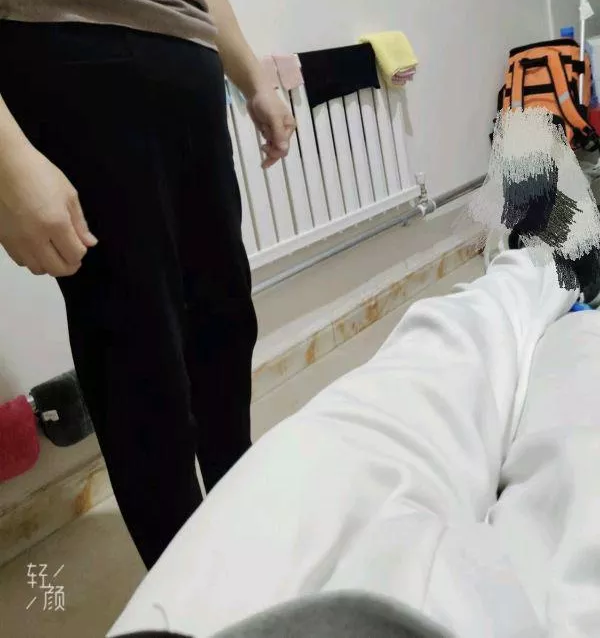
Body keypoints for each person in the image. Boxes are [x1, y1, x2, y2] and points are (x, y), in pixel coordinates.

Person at [0, 0, 295, 570]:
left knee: (222, 323)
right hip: (73, 62)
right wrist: (6, 160)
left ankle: (239, 533)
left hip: (185, 72)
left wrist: (254, 79)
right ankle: (189, 584)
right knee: (140, 352)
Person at [108, 249, 600, 638]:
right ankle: (550, 279)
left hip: (215, 615)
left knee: (441, 359)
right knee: (565, 402)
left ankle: (542, 273)